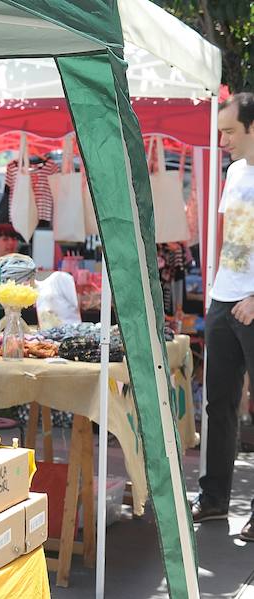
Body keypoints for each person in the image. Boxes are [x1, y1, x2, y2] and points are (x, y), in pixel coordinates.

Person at [191, 92, 254, 542]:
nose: (224, 140)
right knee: (219, 406)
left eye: (230, 131)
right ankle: (214, 499)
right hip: (223, 298)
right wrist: (214, 288)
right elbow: (230, 237)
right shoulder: (234, 172)